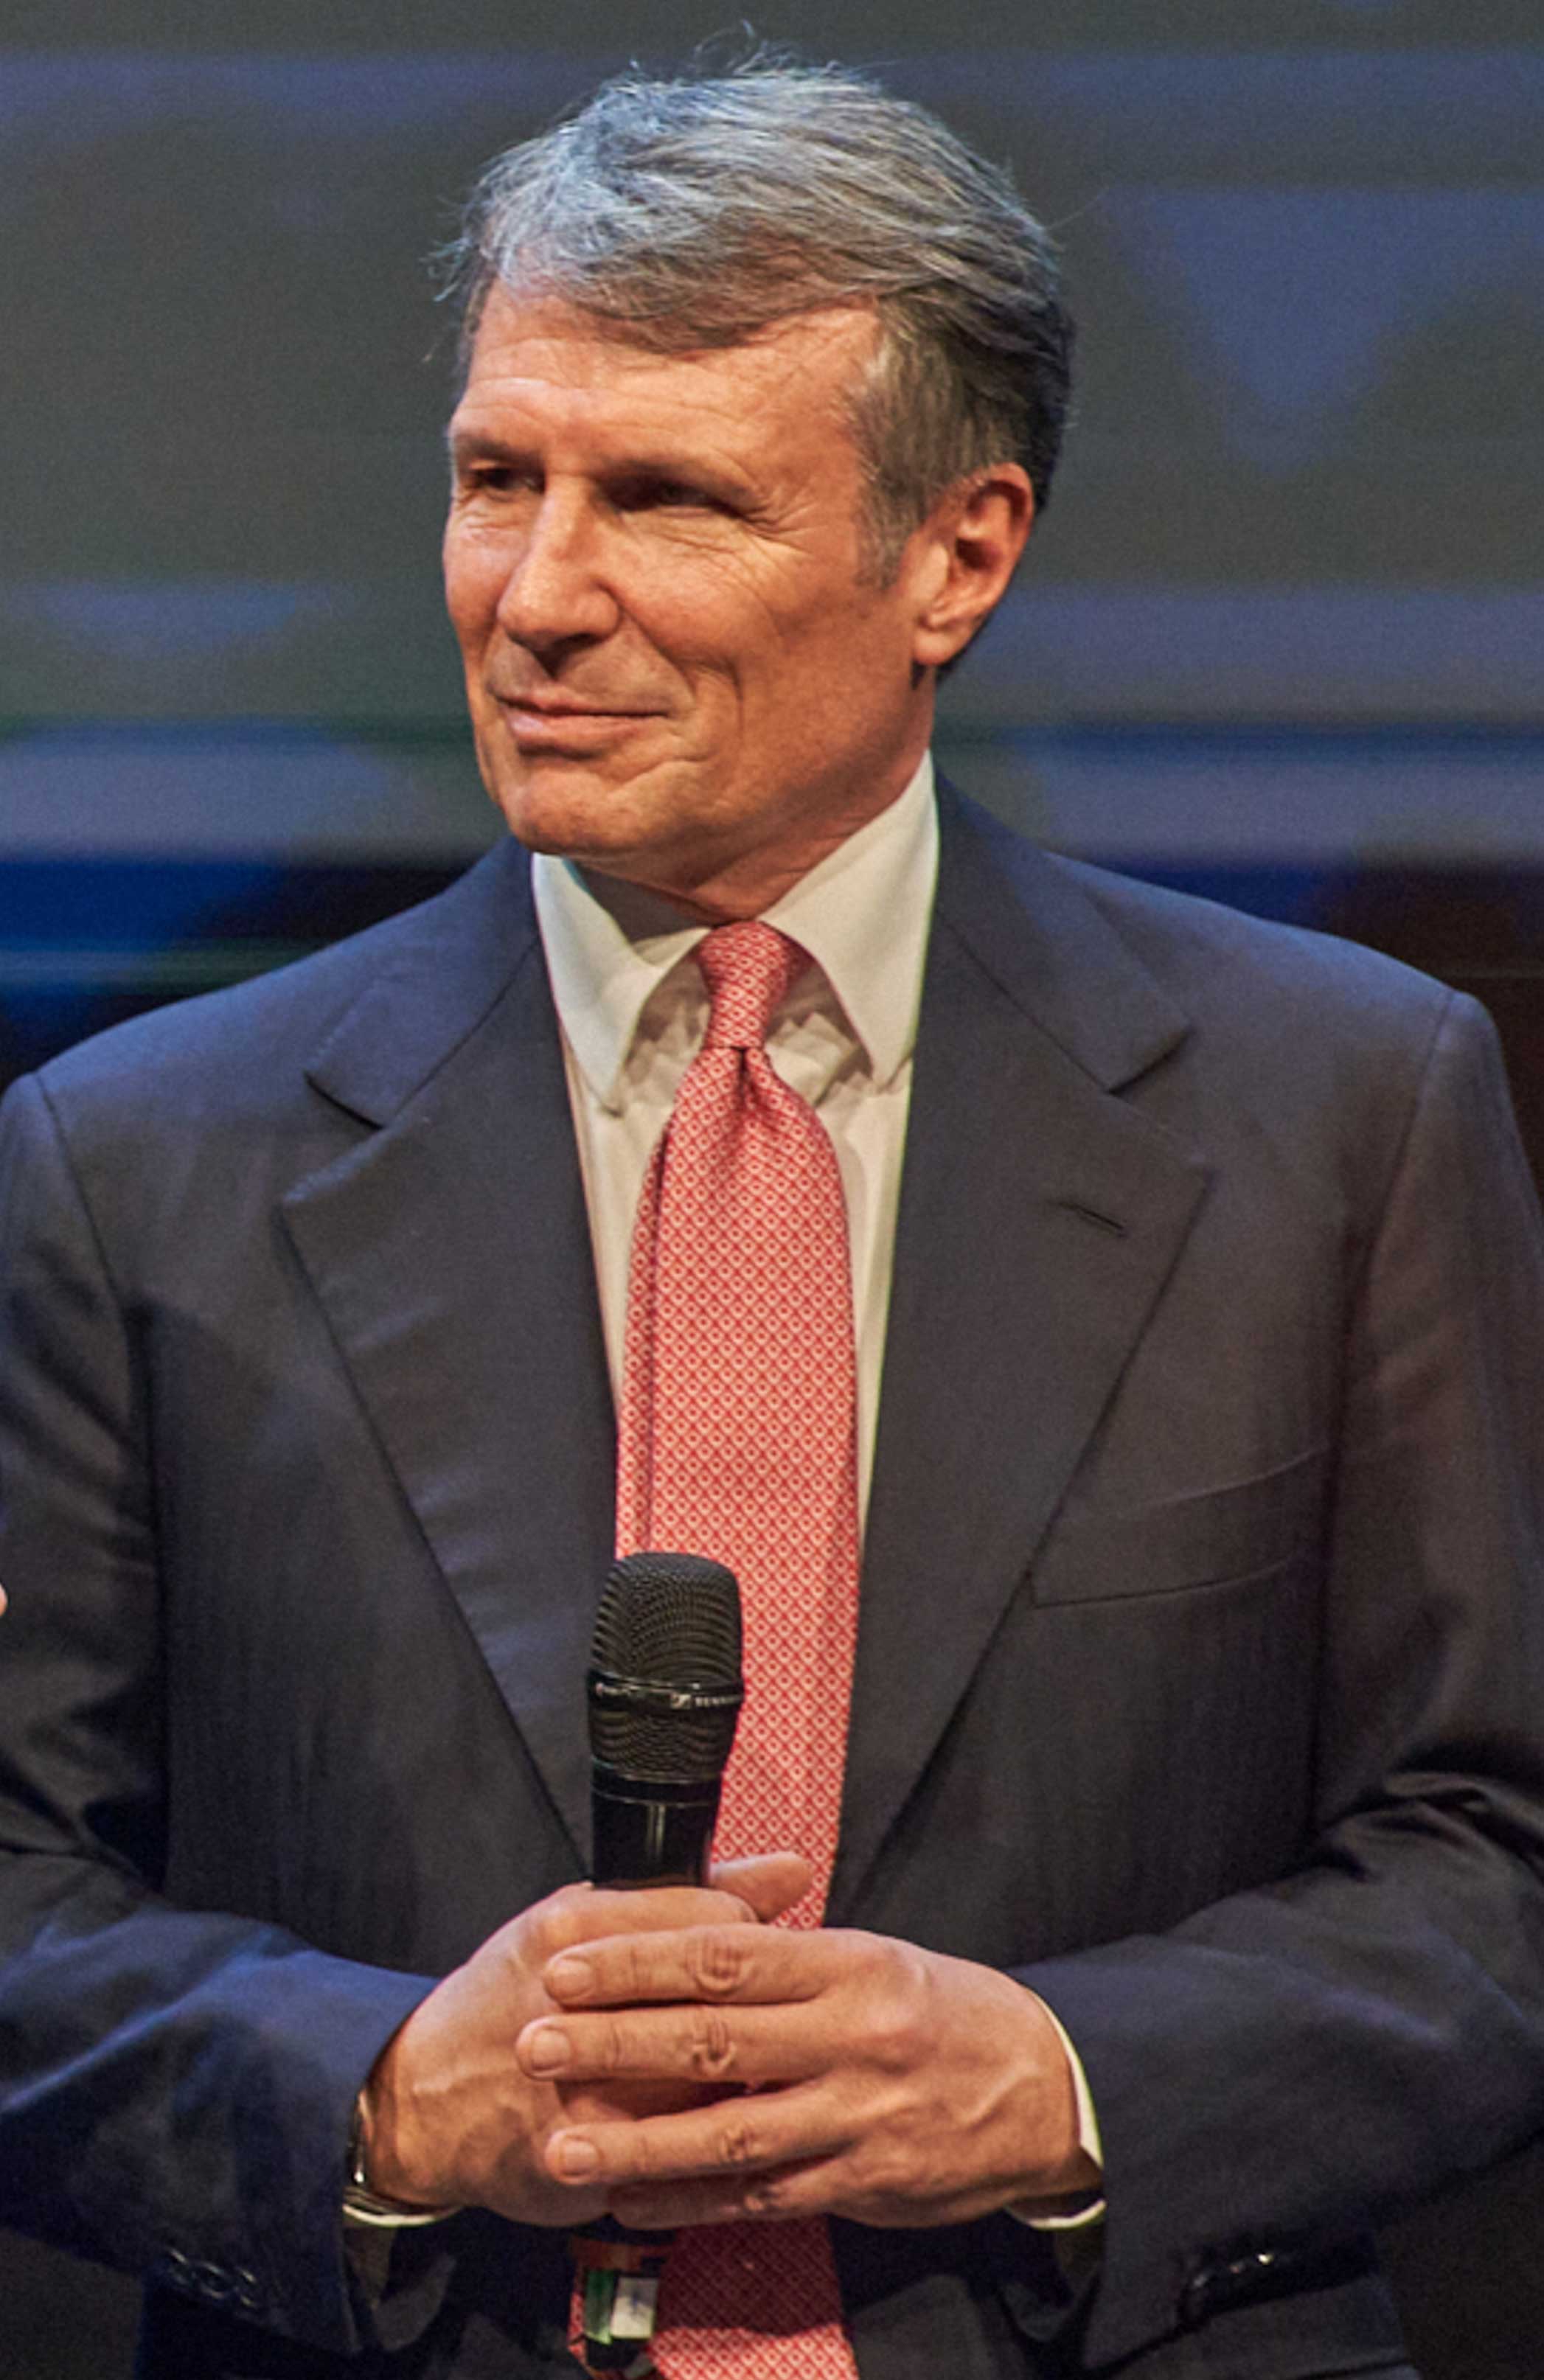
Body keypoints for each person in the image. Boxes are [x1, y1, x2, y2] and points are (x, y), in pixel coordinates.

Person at [2, 56, 1543, 2380]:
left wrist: (1062, 2078)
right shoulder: (134, 1160)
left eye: (669, 498)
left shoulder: (1339, 1112)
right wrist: (388, 2092)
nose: (539, 595)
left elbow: (1495, 1863)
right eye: (498, 478)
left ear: (959, 556)